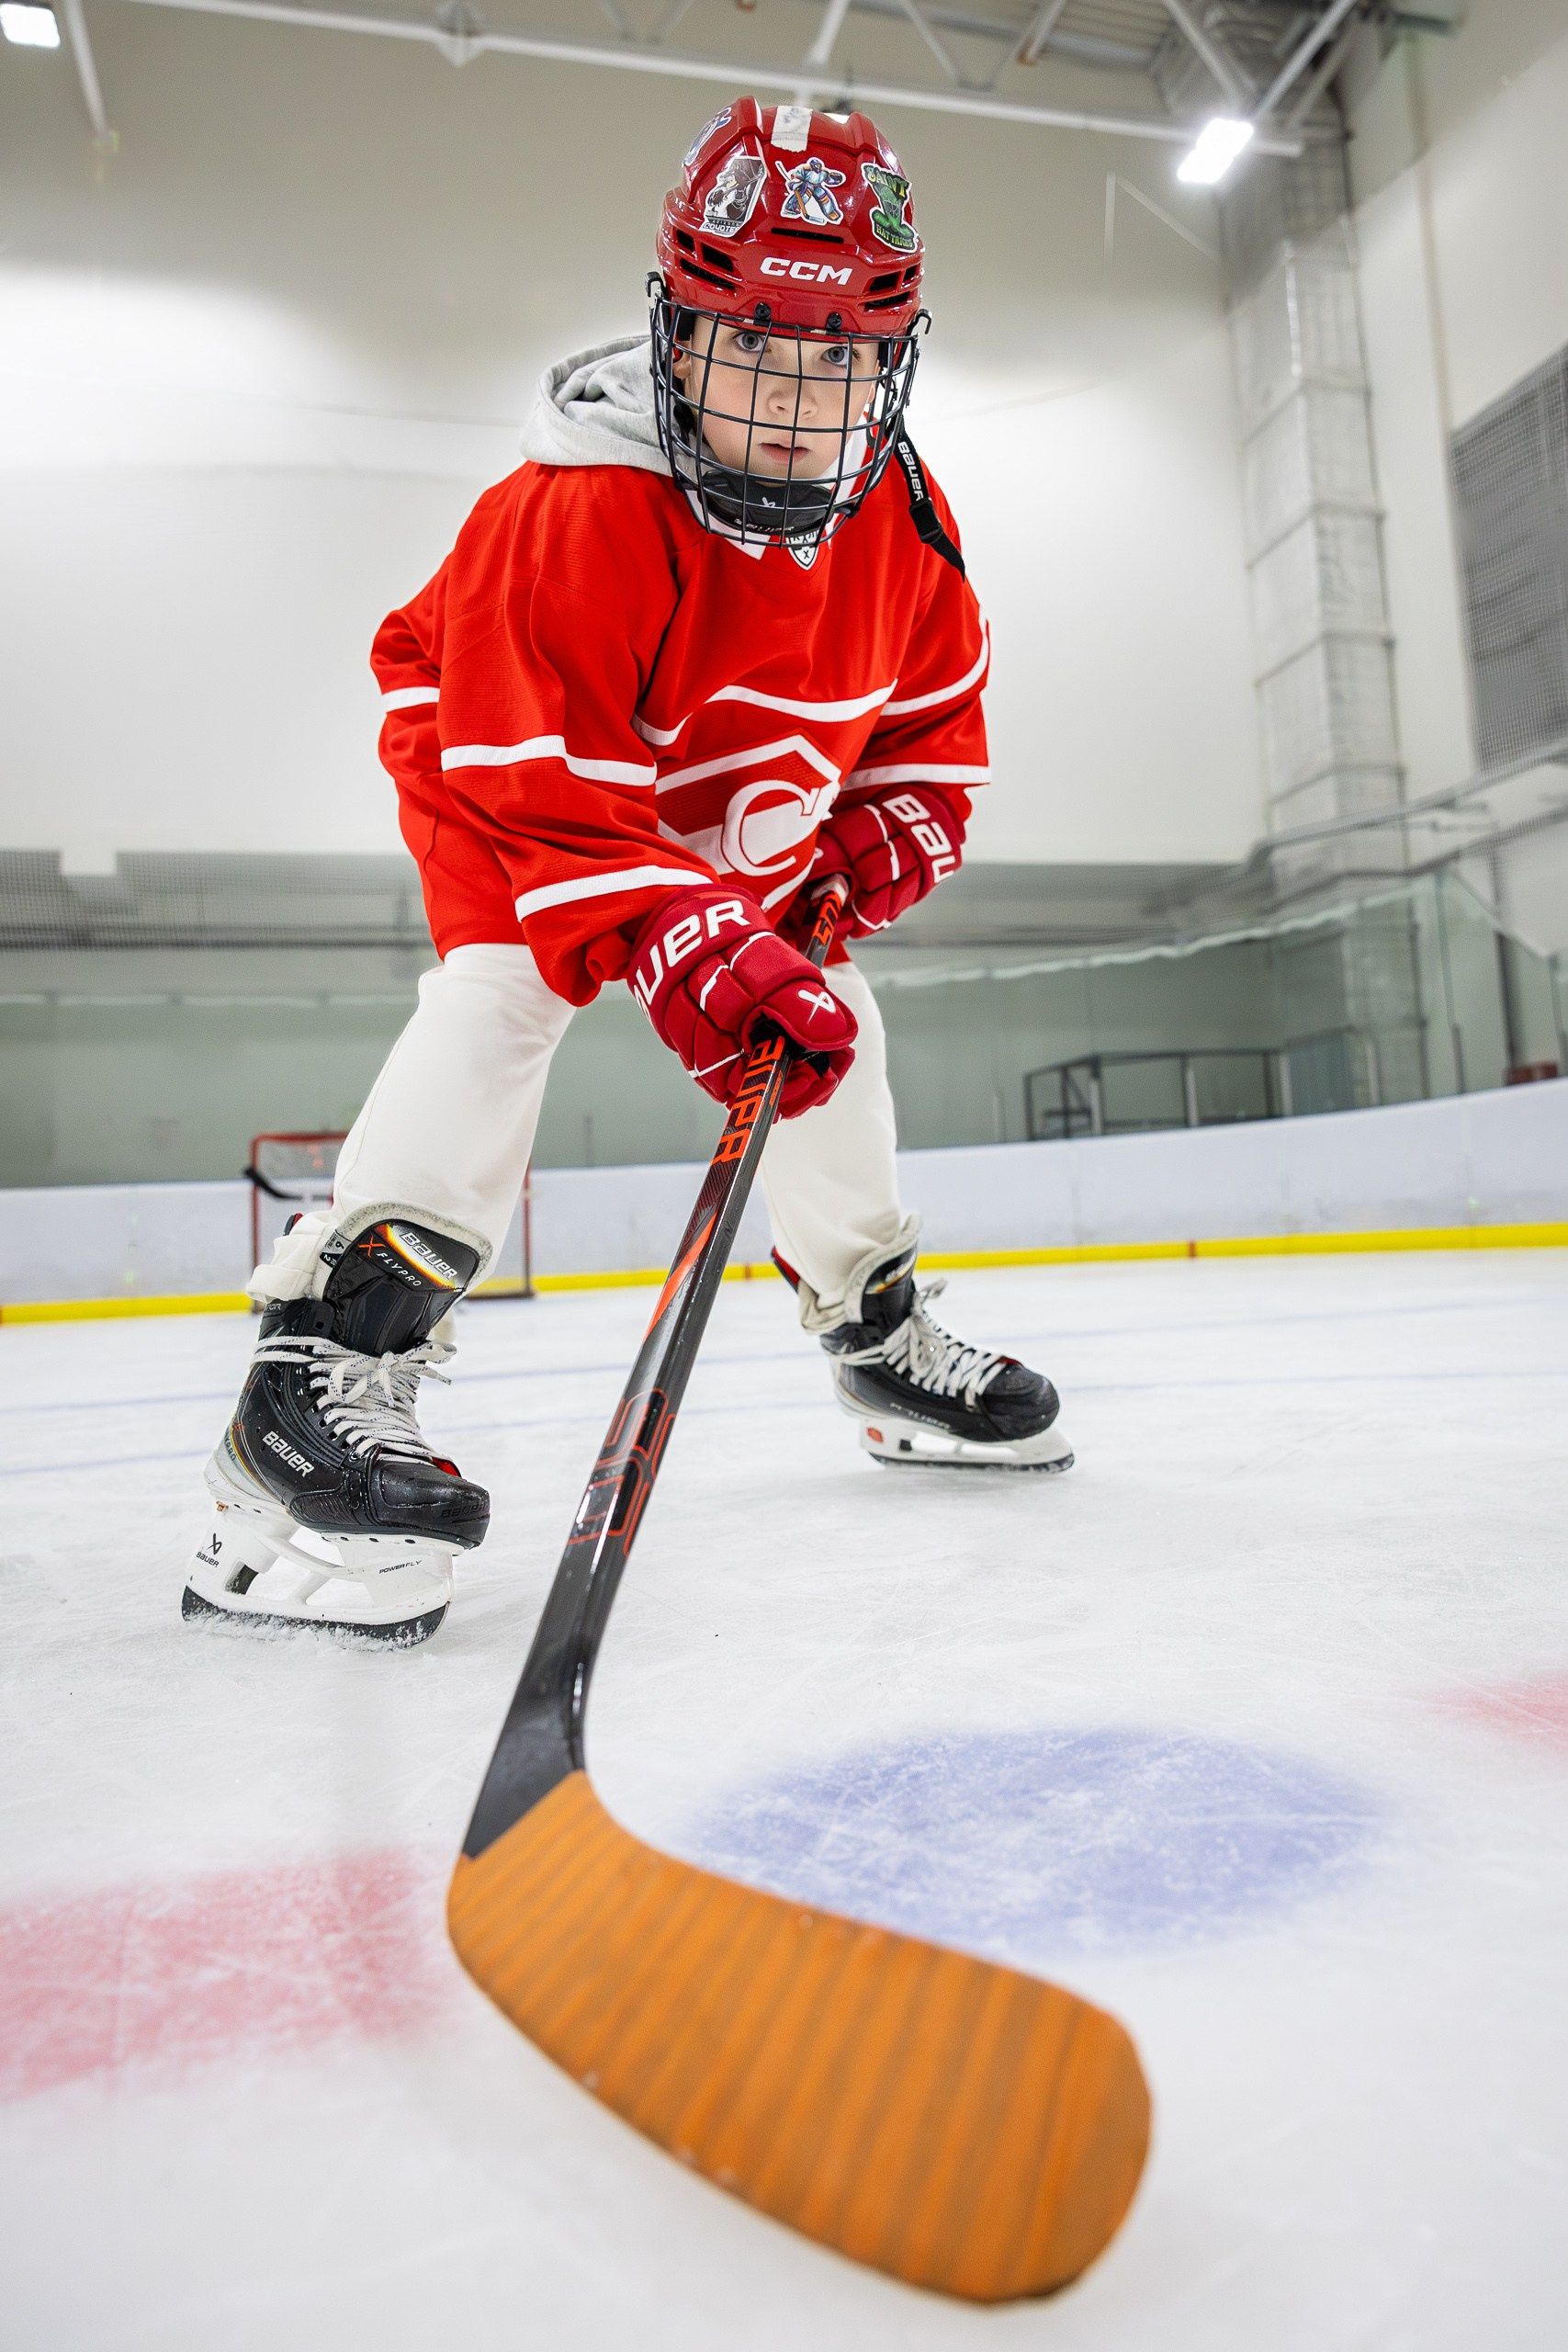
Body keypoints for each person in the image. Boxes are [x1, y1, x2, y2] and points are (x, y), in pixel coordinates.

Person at [181, 98, 1073, 1649]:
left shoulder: (909, 526)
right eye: (755, 350)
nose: (794, 402)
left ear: (893, 364)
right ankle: (313, 1379)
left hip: (721, 787)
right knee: (507, 990)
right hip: (511, 756)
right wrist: (677, 937)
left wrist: (885, 832)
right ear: (679, 336)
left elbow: (933, 731)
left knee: (827, 1016)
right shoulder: (576, 508)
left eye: (839, 362)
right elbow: (548, 794)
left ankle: (873, 1328)